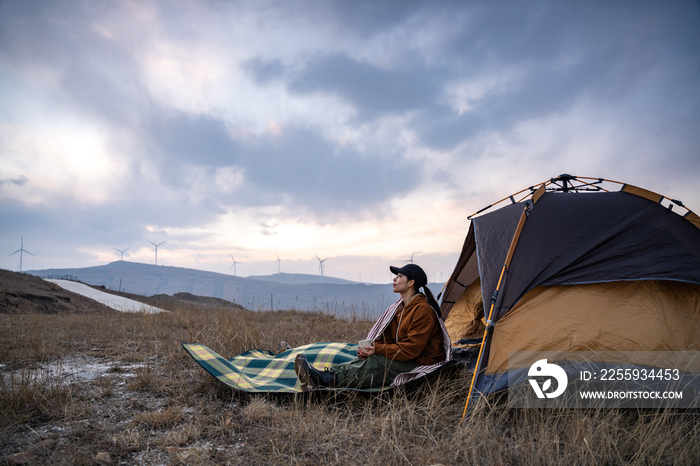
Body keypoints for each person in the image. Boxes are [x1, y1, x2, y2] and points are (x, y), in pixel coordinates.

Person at [294, 264, 448, 390]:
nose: (395, 279)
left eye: (400, 276)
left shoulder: (423, 310)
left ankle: (326, 381)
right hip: (405, 356)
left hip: (420, 362)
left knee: (376, 364)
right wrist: (372, 349)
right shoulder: (399, 308)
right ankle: (323, 376)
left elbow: (411, 349)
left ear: (411, 283)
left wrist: (378, 350)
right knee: (366, 360)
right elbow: (388, 339)